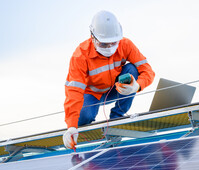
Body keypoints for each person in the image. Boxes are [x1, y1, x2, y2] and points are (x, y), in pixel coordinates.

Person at [62, 10, 155, 149]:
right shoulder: (80, 56)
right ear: (92, 37)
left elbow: (147, 70)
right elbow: (74, 91)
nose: (110, 48)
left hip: (115, 88)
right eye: (104, 44)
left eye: (113, 43)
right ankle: (83, 120)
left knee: (132, 70)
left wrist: (137, 86)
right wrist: (71, 126)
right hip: (92, 94)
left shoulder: (125, 44)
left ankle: (117, 117)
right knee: (83, 118)